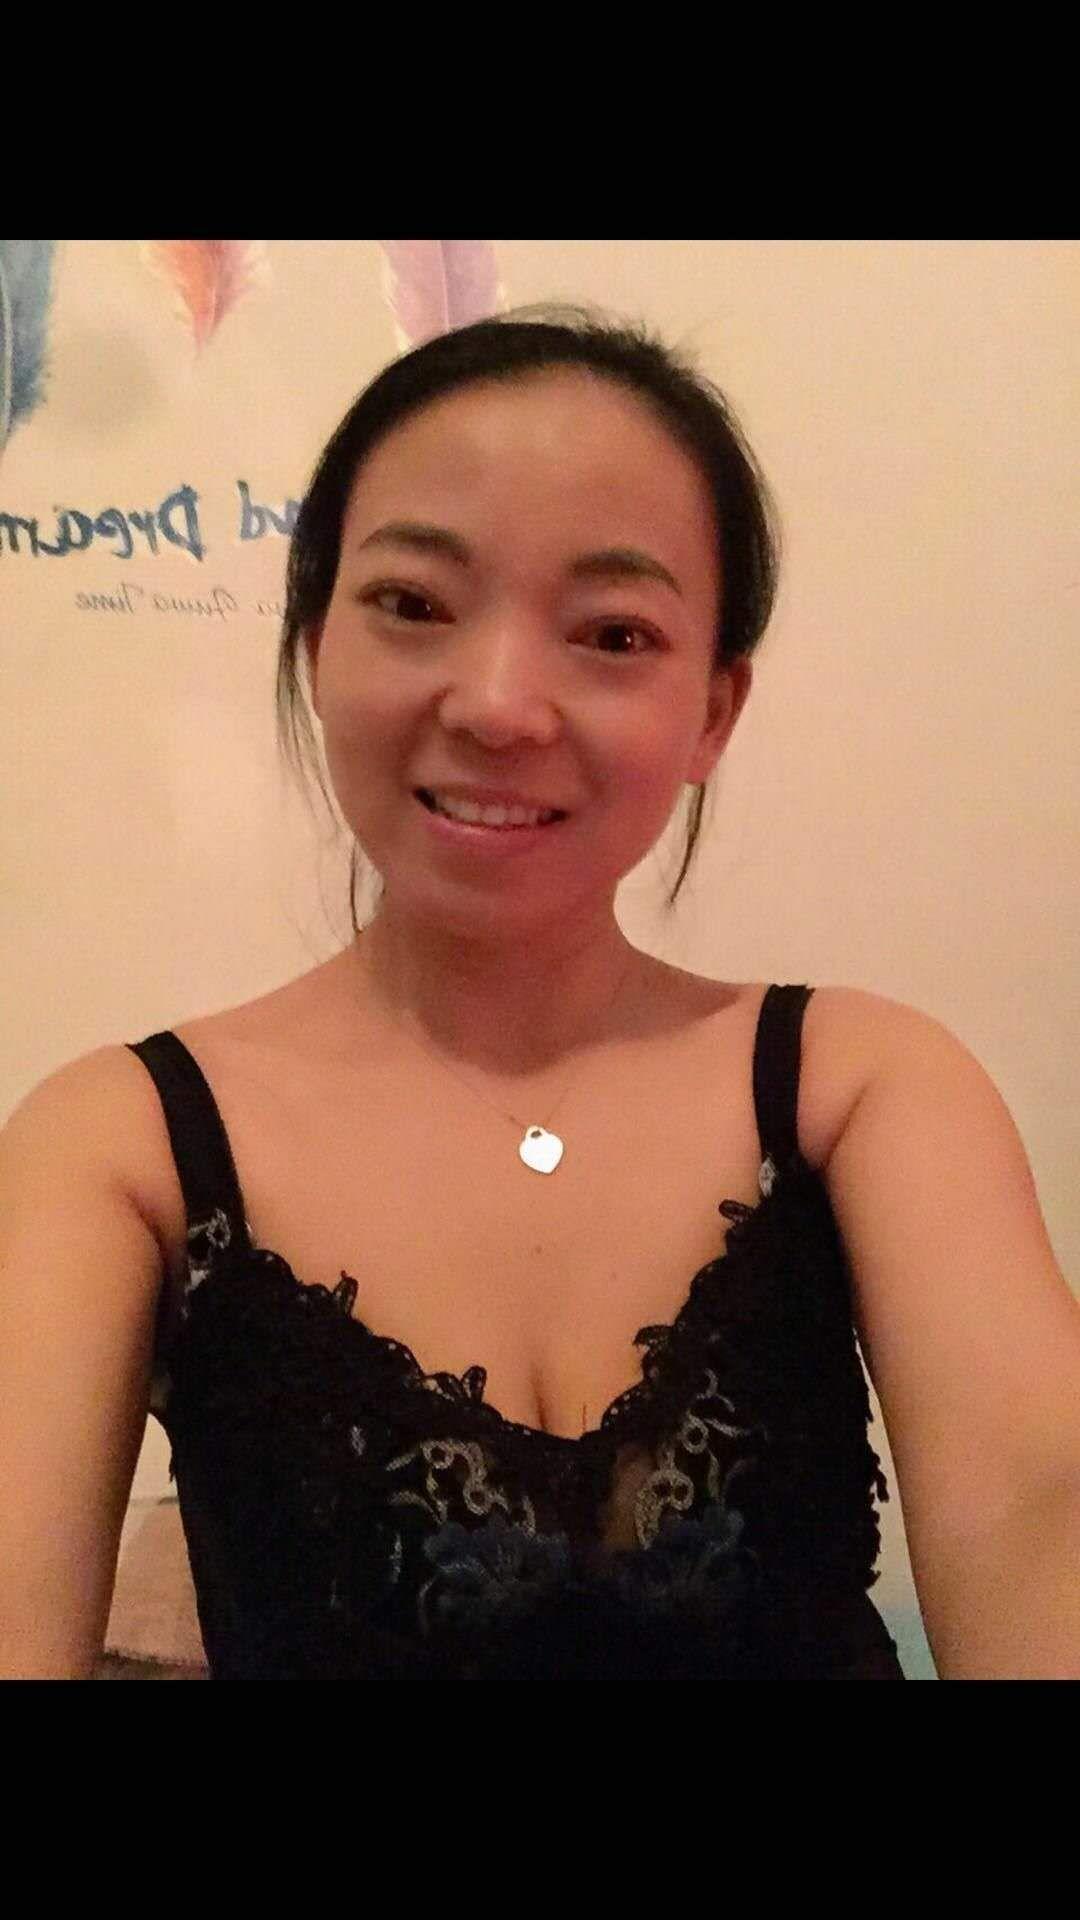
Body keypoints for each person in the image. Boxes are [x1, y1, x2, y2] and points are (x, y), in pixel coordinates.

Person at [3, 307, 1078, 1679]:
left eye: (614, 633)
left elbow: (1043, 1523)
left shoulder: (865, 1087)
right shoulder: (117, 1145)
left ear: (714, 711)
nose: (499, 705)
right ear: (315, 643)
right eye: (412, 605)